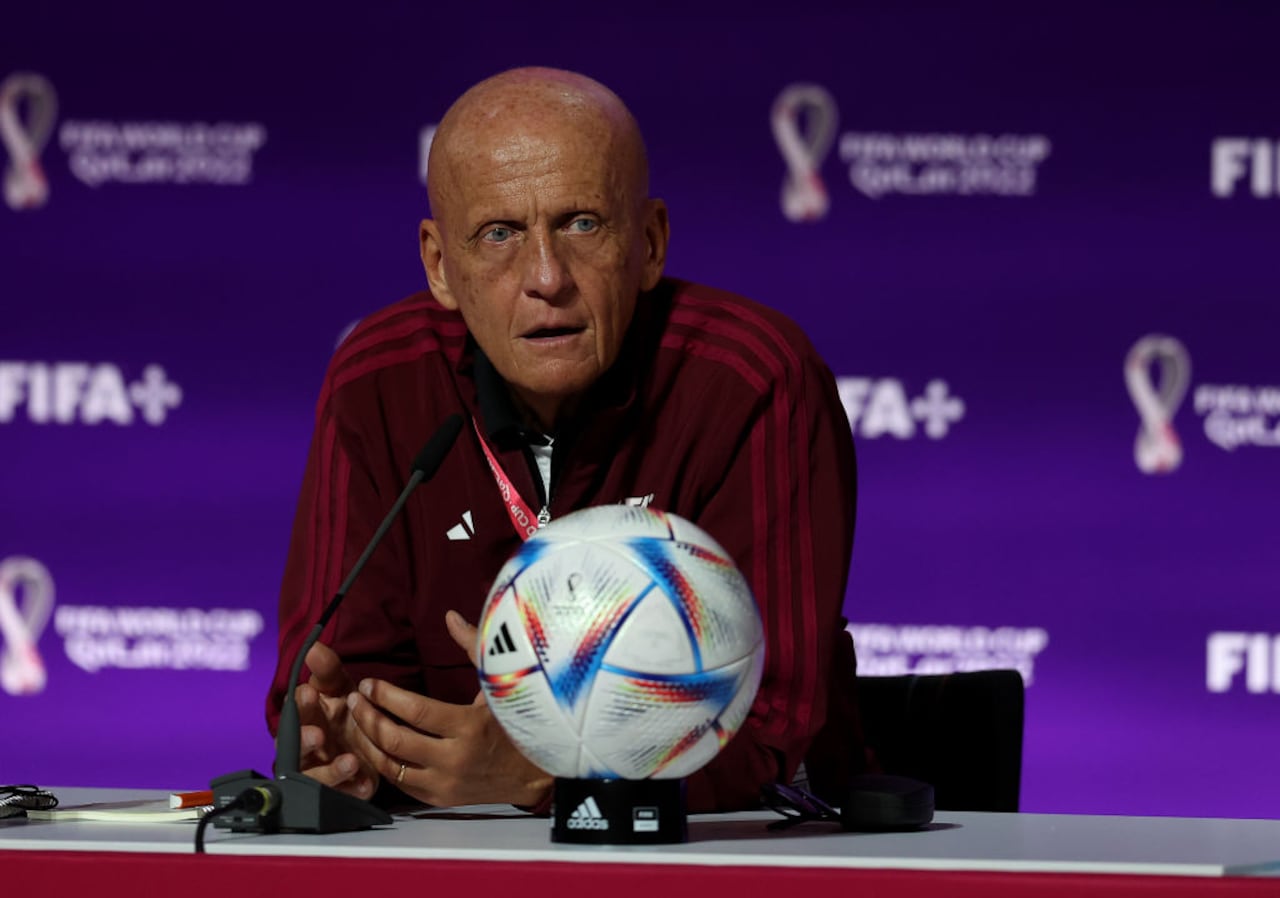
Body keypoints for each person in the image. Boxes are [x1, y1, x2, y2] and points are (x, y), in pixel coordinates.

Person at [267, 66, 862, 813]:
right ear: (440, 266)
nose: (546, 277)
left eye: (583, 224)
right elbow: (340, 679)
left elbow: (775, 730)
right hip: (452, 856)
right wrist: (348, 747)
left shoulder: (751, 379)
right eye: (500, 234)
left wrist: (548, 777)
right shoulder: (379, 380)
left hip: (731, 857)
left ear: (649, 243)